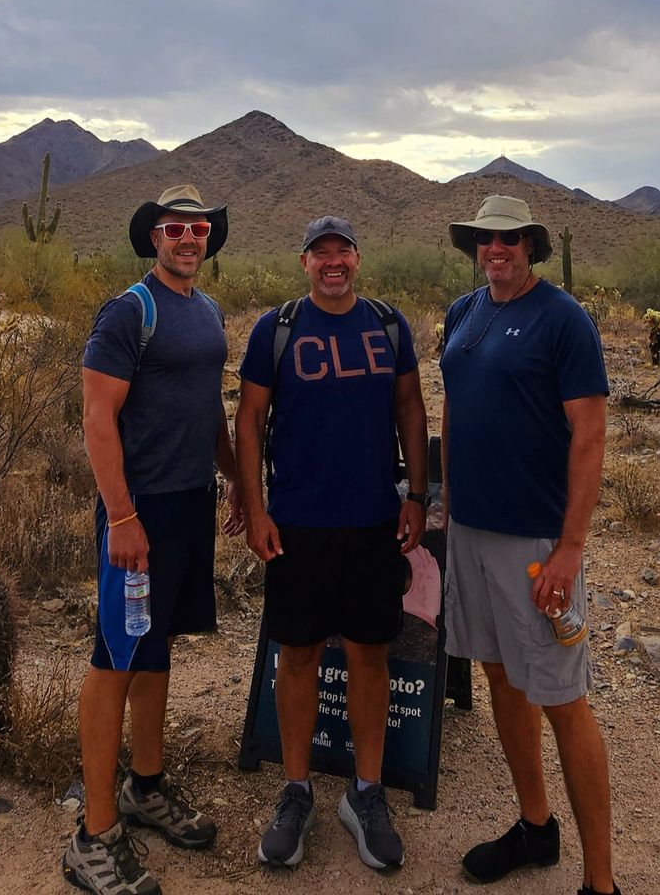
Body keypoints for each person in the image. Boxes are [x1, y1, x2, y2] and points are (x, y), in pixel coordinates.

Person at [63, 185, 246, 895]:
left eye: (197, 228)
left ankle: (145, 786)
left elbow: (208, 407)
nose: (187, 238)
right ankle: (93, 835)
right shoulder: (127, 312)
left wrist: (230, 475)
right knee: (114, 655)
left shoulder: (206, 312)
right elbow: (96, 418)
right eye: (174, 229)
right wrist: (122, 517)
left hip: (188, 503)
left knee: (156, 644)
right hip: (138, 512)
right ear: (153, 239)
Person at [438, 195, 620, 895]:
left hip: (538, 541)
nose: (497, 250)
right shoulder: (465, 314)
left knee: (560, 695)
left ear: (532, 247)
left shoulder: (564, 320)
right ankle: (535, 826)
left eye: (510, 239)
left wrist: (572, 547)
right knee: (499, 676)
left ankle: (600, 882)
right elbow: (453, 406)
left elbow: (590, 434)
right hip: (472, 530)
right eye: (487, 240)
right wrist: (449, 504)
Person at [234, 216, 427, 871]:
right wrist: (254, 507)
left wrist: (418, 496)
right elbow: (251, 419)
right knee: (298, 654)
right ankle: (295, 790)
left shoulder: (388, 325)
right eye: (321, 253)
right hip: (297, 523)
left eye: (342, 250)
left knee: (372, 655)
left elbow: (411, 410)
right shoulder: (277, 329)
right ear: (304, 263)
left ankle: (366, 793)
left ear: (358, 260)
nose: (333, 261)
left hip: (373, 519)